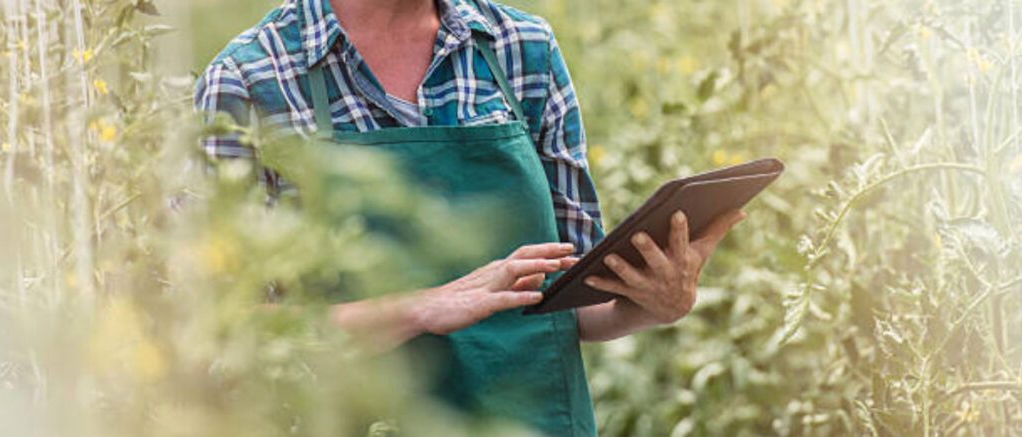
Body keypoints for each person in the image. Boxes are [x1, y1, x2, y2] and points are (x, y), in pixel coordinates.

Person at [194, 0, 745, 435]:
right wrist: (419, 308)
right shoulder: (248, 82)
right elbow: (227, 335)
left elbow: (571, 303)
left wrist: (650, 303)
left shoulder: (521, 50)